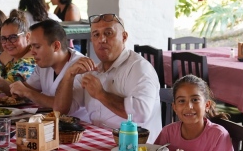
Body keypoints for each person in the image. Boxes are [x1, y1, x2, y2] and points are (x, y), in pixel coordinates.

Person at [53, 13, 162, 141]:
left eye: (108, 33)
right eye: (96, 35)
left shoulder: (139, 68)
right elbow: (60, 110)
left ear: (124, 37)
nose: (102, 40)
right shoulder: (92, 70)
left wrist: (101, 94)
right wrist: (68, 75)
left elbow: (140, 113)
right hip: (101, 144)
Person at [7, 19, 86, 114]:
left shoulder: (79, 66)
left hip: (79, 126)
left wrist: (27, 92)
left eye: (37, 47)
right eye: (31, 47)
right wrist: (2, 83)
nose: (32, 52)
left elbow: (61, 109)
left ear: (56, 46)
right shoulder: (44, 63)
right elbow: (24, 89)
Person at [154, 75, 235, 151]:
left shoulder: (218, 135)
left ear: (207, 105)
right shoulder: (168, 132)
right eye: (181, 101)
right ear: (175, 107)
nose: (189, 106)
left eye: (195, 100)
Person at [0, 11, 36, 89]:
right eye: (3, 38)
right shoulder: (7, 54)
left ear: (27, 37)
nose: (8, 43)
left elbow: (16, 89)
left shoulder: (32, 59)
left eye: (13, 37)